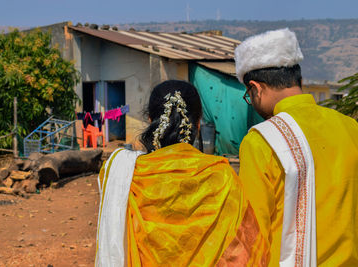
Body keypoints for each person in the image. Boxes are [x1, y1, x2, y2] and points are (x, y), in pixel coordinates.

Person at [95, 80, 269, 266]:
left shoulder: (125, 174)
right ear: (199, 124)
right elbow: (243, 250)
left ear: (150, 122)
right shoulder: (221, 176)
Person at [235, 28, 358, 266]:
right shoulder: (350, 127)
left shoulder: (262, 140)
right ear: (298, 80)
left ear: (256, 88)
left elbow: (252, 235)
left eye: (249, 95)